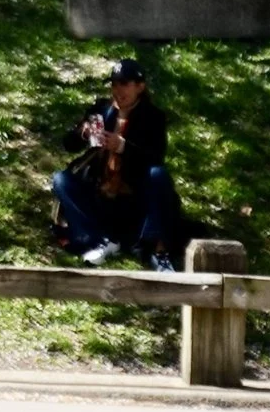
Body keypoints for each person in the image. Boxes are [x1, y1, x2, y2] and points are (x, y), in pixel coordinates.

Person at [52, 58, 187, 271]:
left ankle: (152, 247)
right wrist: (82, 133)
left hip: (133, 197)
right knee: (61, 180)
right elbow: (68, 144)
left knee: (158, 175)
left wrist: (123, 147)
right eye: (114, 84)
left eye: (124, 84)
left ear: (140, 87)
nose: (118, 90)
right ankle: (99, 238)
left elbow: (154, 157)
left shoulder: (153, 117)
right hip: (101, 192)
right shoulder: (101, 109)